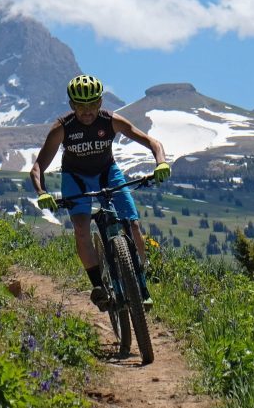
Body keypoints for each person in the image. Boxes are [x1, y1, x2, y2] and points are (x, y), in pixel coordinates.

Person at [30, 74, 171, 311]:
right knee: (82, 229)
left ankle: (140, 283)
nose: (87, 111)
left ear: (101, 102)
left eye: (92, 104)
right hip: (76, 178)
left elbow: (152, 142)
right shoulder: (62, 129)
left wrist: (161, 162)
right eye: (81, 106)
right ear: (72, 105)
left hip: (108, 172)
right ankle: (99, 286)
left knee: (133, 225)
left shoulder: (110, 121)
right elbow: (37, 167)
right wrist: (41, 192)